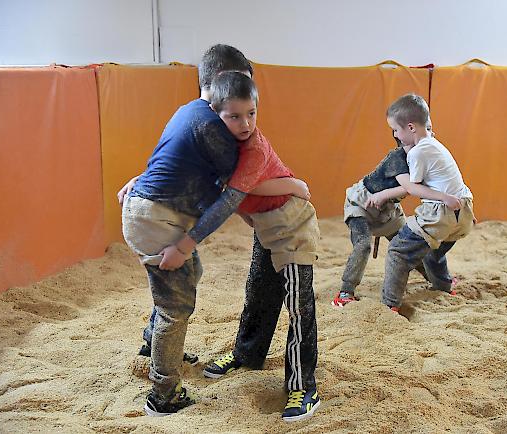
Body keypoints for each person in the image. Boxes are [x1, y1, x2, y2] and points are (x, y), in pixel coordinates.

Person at [120, 45, 308, 417]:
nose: (245, 112)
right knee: (175, 305)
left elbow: (173, 158)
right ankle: (163, 395)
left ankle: (152, 343)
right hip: (159, 220)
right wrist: (187, 244)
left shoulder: (188, 111)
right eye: (240, 89)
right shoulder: (215, 129)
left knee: (186, 277)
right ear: (221, 84)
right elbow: (230, 195)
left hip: (148, 211)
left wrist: (140, 180)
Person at [201, 72, 321, 422]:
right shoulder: (217, 145)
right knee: (259, 293)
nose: (246, 123)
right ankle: (247, 353)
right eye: (234, 116)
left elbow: (233, 192)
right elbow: (232, 192)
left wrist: (292, 186)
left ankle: (303, 385)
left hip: (292, 223)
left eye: (251, 113)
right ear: (214, 112)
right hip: (265, 226)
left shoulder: (252, 148)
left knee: (298, 304)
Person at [331, 131, 459, 308]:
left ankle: (438, 280)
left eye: (429, 128)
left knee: (413, 244)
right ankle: (346, 291)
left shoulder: (424, 156)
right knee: (363, 245)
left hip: (389, 210)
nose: (431, 133)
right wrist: (444, 197)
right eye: (425, 128)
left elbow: (435, 183)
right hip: (362, 205)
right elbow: (410, 187)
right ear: (403, 134)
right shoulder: (397, 157)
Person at [380, 94, 474, 312]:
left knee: (397, 251)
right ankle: (443, 285)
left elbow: (412, 188)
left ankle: (390, 305)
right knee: (433, 249)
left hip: (441, 212)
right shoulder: (434, 144)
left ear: (411, 127)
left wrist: (383, 195)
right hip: (464, 212)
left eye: (395, 129)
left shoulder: (418, 153)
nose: (395, 135)